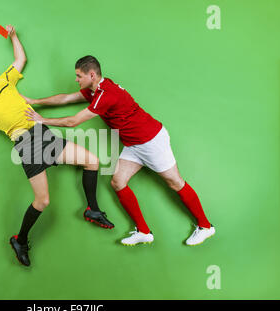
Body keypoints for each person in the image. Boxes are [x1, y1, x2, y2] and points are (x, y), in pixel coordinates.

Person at [0, 29, 114, 267]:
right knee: (43, 201)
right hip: (26, 145)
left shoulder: (1, 83)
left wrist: (13, 36)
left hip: (43, 134)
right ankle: (20, 240)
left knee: (93, 161)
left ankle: (92, 209)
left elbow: (20, 60)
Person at [24, 55, 215, 246]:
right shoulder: (94, 89)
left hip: (150, 140)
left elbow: (73, 121)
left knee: (174, 182)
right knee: (118, 181)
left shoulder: (106, 94)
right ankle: (144, 232)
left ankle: (205, 227)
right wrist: (33, 100)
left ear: (91, 75)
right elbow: (65, 98)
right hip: (133, 145)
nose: (76, 79)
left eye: (78, 76)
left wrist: (43, 120)